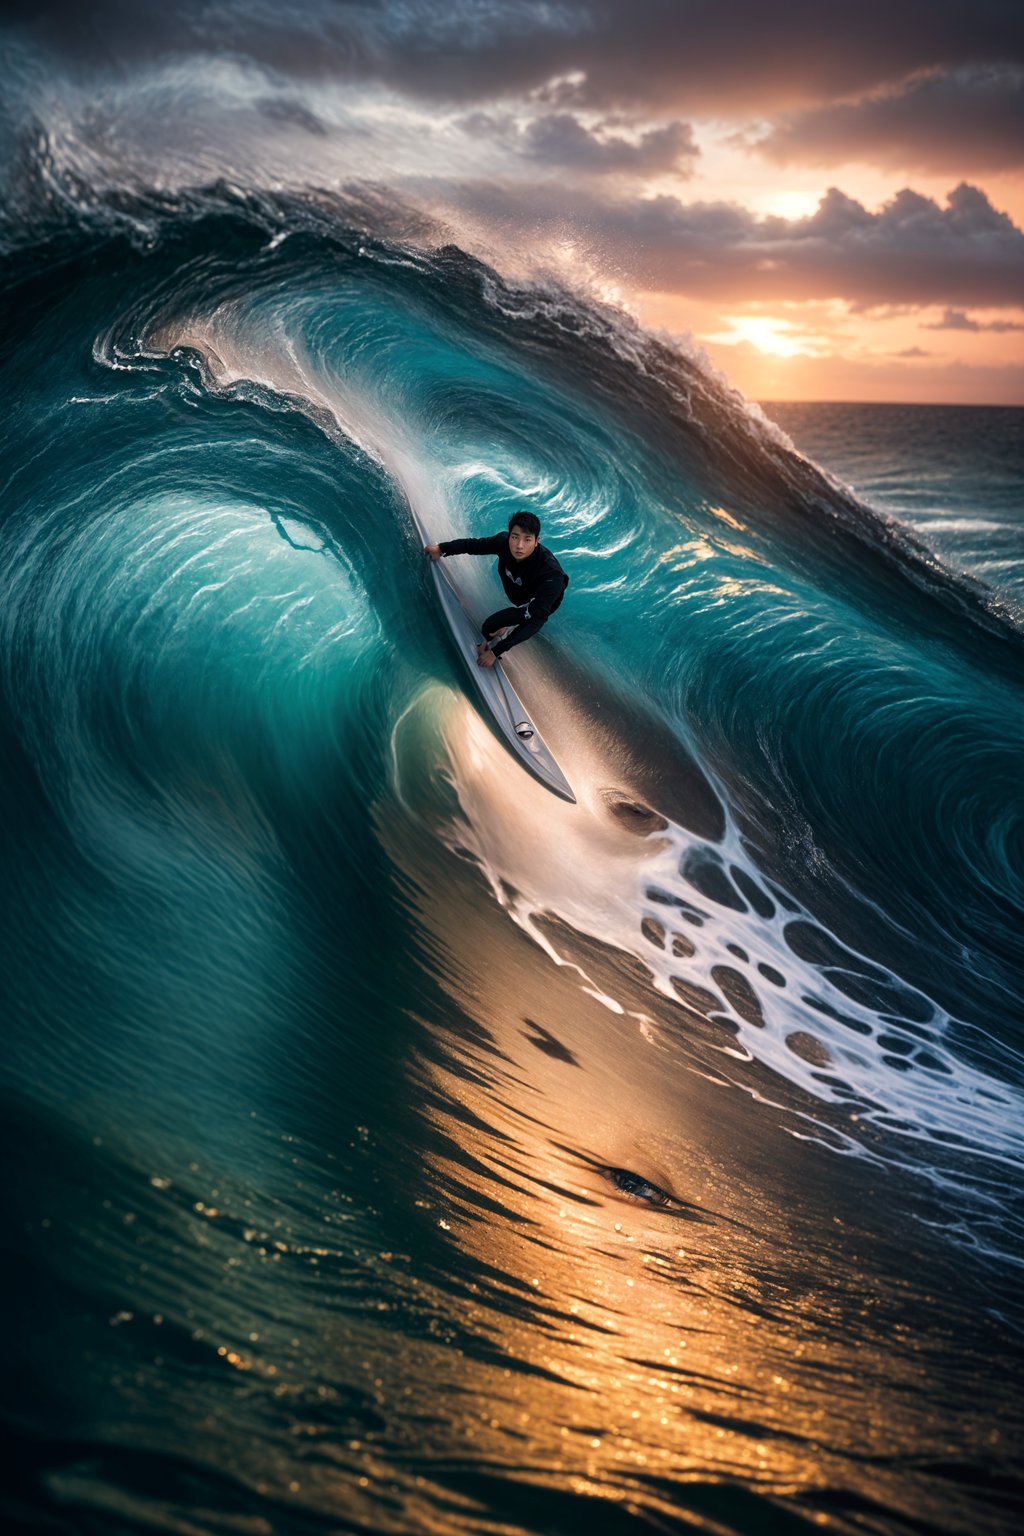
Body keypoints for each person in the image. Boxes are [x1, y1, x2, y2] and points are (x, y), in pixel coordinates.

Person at [424, 512, 568, 669]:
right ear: (509, 535)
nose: (519, 545)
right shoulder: (503, 542)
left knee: (491, 626)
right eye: (515, 537)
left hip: (544, 601)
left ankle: (503, 632)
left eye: (527, 540)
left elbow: (534, 623)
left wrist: (494, 652)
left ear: (536, 541)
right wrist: (442, 549)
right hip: (517, 586)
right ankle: (509, 623)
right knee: (514, 601)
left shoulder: (552, 575)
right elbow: (473, 545)